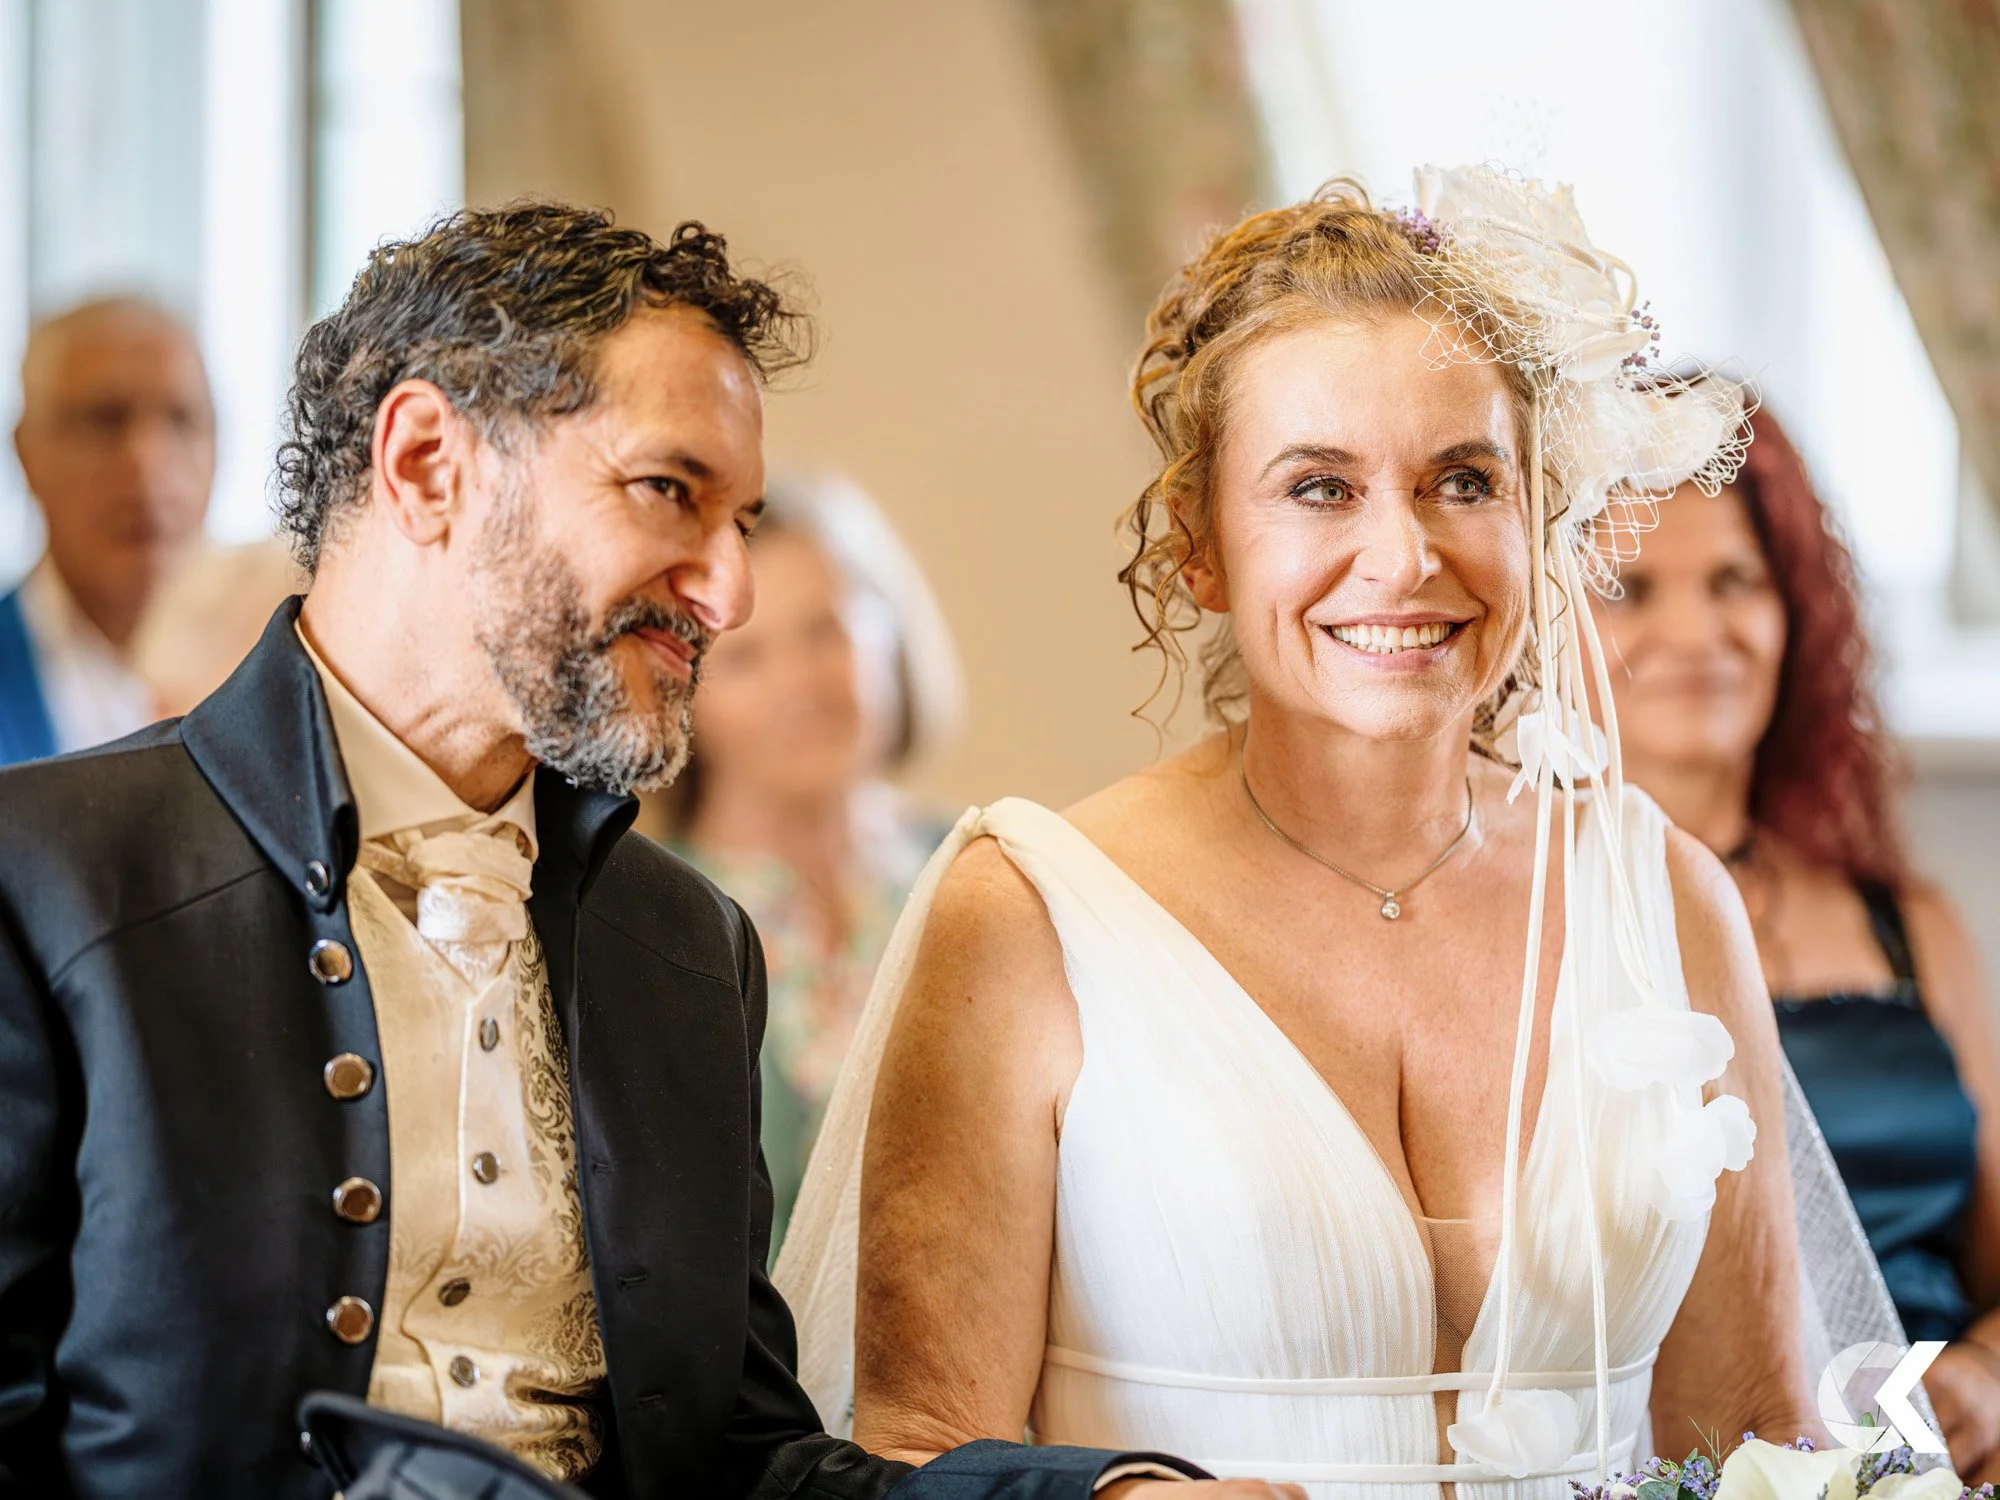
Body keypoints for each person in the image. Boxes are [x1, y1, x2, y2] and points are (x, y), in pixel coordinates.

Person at [0, 205, 1256, 1500]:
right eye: (671, 491)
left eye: (746, 522)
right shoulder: (40, 880)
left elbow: (753, 1469)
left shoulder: (689, 949)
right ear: (428, 463)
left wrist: (1096, 1496)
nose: (731, 593)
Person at [777, 169, 1838, 1496]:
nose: (1403, 559)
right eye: (1320, 489)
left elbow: (1756, 1438)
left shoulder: (1664, 900)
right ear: (1200, 545)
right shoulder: (1029, 917)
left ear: (1539, 518)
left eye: (1464, 479)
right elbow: (921, 1459)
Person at [1592, 404, 2000, 1478]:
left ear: (1795, 613)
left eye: (1736, 580)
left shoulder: (1904, 923)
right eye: (1629, 589)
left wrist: (1981, 1375)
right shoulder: (1523, 932)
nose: (1695, 634)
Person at [649, 472, 961, 1256]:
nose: (800, 686)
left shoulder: (991, 869)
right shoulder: (641, 928)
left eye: (826, 632)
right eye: (748, 657)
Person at [0, 296, 213, 764]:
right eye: (105, 419)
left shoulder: (287, 678)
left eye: (181, 419)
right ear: (26, 452)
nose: (148, 460)